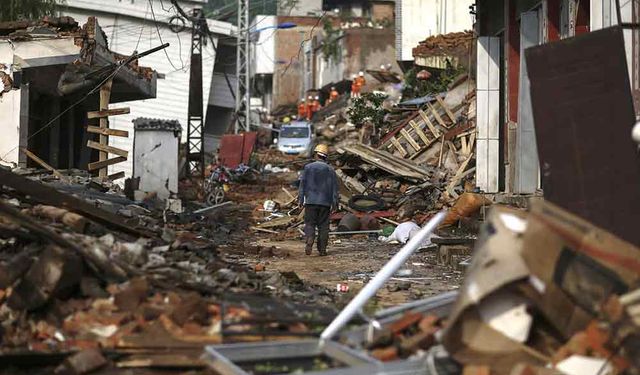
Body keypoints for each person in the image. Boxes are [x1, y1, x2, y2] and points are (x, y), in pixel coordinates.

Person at [298, 144, 339, 256]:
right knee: (323, 226)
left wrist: (301, 200)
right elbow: (335, 188)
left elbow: (302, 185)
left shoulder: (308, 167)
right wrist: (335, 203)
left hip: (311, 201)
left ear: (316, 154)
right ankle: (322, 250)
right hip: (325, 202)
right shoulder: (330, 170)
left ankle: (310, 237)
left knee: (310, 223)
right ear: (325, 156)